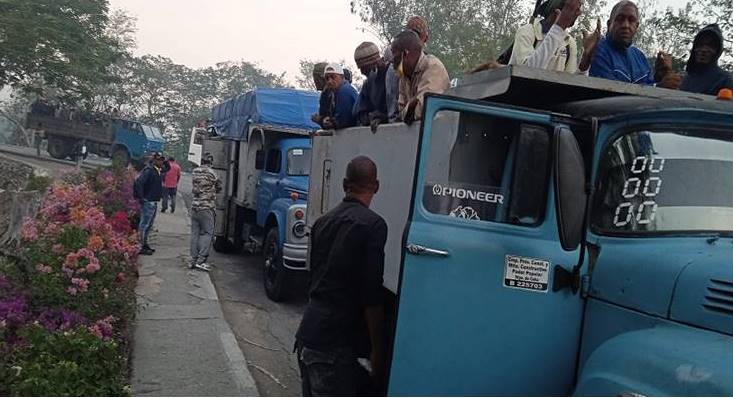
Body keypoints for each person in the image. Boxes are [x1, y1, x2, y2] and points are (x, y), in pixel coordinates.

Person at [295, 156, 387, 396]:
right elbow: (372, 294)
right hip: (334, 344)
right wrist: (377, 350)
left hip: (308, 334)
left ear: (345, 184)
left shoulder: (322, 223)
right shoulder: (373, 226)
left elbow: (314, 278)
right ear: (376, 186)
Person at [589, 0, 680, 88]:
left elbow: (650, 85)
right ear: (609, 24)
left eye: (631, 20)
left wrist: (661, 76)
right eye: (620, 19)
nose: (626, 25)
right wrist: (658, 87)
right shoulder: (597, 51)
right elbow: (609, 93)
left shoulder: (640, 57)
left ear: (636, 27)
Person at [508, 0, 600, 73]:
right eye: (573, 7)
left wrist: (585, 60)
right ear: (557, 12)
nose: (579, 13)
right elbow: (526, 72)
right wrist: (559, 27)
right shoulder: (527, 31)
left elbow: (570, 83)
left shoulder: (569, 42)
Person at [392, 30, 450, 124]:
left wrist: (411, 107)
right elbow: (401, 113)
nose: (392, 61)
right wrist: (412, 104)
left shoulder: (433, 67)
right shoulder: (404, 76)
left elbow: (425, 108)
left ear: (406, 54)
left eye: (395, 56)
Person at [680, 24, 733, 96]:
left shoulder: (725, 80)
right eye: (700, 45)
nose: (704, 50)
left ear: (718, 51)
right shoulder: (684, 79)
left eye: (710, 46)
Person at [190, 153, 222, 272]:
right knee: (207, 234)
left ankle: (193, 260)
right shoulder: (212, 173)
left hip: (195, 207)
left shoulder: (195, 171)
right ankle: (201, 261)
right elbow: (219, 187)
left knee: (195, 234)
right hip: (207, 207)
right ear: (210, 162)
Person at [354, 42, 390, 130]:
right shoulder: (368, 82)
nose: (362, 72)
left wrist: (384, 117)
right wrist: (368, 118)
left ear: (374, 62)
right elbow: (358, 111)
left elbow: (399, 110)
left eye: (364, 68)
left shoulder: (392, 74)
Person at [134, 153, 164, 256]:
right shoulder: (149, 171)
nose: (162, 162)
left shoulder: (157, 170)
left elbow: (167, 167)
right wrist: (141, 197)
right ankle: (140, 245)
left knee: (149, 225)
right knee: (144, 224)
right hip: (148, 201)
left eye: (162, 160)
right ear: (154, 160)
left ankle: (145, 244)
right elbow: (139, 183)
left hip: (153, 201)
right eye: (159, 160)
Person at [318, 63, 359, 130]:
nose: (329, 81)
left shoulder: (345, 91)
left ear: (342, 77)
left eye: (333, 77)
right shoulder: (334, 94)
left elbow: (343, 121)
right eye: (327, 78)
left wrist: (324, 121)